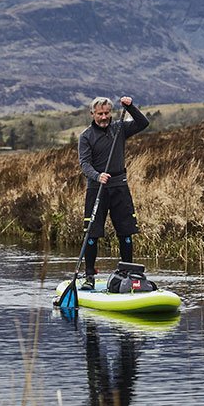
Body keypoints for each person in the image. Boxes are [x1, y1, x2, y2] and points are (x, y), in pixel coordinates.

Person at [77, 95, 149, 289]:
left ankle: (128, 273)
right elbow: (84, 163)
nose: (104, 117)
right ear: (92, 114)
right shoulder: (85, 136)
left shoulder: (119, 129)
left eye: (107, 113)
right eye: (100, 113)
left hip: (119, 187)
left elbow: (143, 123)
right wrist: (97, 175)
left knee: (126, 232)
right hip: (97, 188)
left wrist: (130, 106)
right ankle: (89, 276)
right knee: (92, 234)